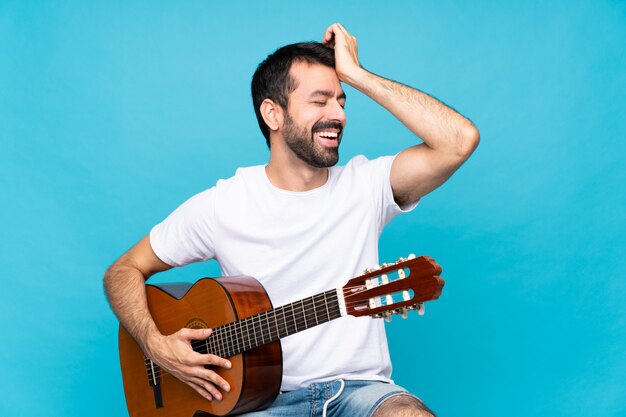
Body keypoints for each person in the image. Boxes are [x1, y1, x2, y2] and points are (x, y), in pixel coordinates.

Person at [104, 23, 479, 417]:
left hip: (358, 393)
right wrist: (154, 344)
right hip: (255, 403)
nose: (337, 115)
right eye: (319, 101)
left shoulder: (367, 185)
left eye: (342, 101)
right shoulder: (223, 204)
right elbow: (123, 270)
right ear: (273, 114)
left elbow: (459, 140)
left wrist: (358, 74)